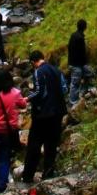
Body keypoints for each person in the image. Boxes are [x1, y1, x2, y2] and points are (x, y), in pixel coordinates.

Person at [22, 50, 66, 183]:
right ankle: (48, 174)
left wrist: (27, 99)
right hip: (58, 112)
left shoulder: (38, 72)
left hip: (43, 114)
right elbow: (64, 89)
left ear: (33, 62)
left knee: (34, 145)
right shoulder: (57, 71)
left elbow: (39, 92)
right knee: (51, 145)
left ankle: (28, 176)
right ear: (42, 58)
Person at [0, 68, 28, 194]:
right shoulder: (15, 93)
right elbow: (23, 105)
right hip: (8, 131)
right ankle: (2, 185)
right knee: (4, 158)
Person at [67, 18, 92, 105]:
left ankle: (82, 93)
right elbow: (82, 53)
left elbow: (69, 48)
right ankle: (73, 102)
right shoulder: (80, 38)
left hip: (73, 63)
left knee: (88, 74)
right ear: (85, 27)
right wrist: (85, 62)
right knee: (75, 83)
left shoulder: (73, 35)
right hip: (77, 64)